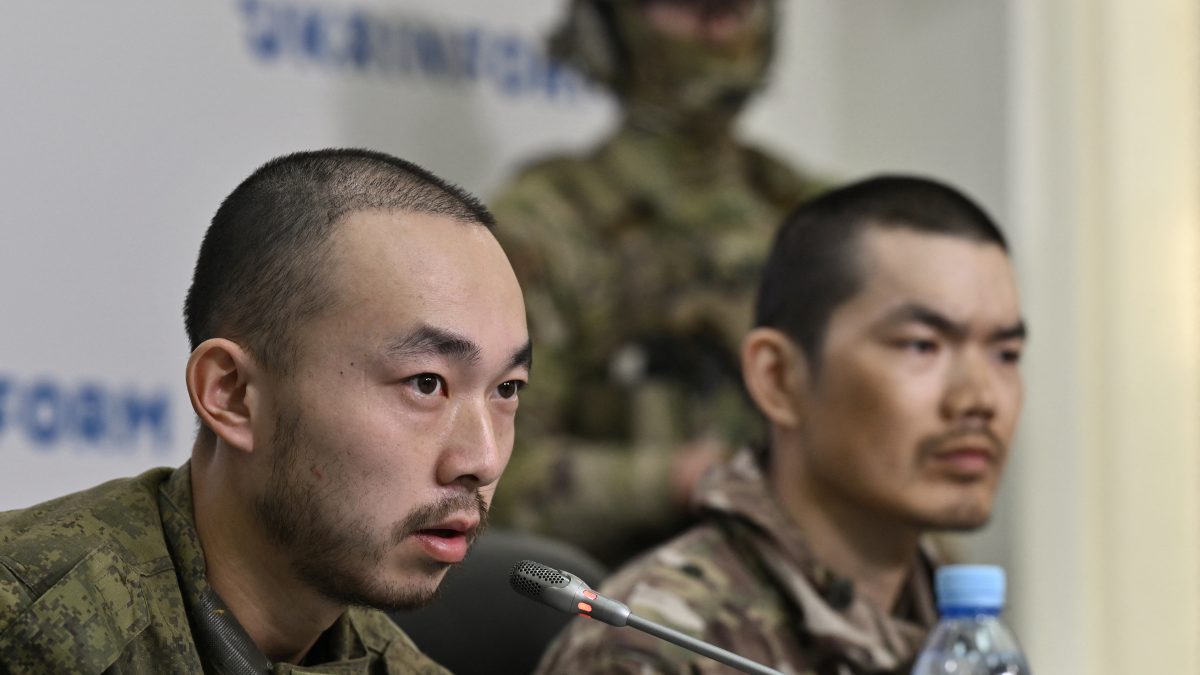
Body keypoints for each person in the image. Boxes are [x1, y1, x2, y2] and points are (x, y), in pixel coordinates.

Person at [0, 149, 532, 673]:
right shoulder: (26, 627)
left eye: (507, 390)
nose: (482, 460)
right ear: (231, 395)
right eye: (426, 383)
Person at [535, 175, 1027, 674]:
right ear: (779, 377)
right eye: (922, 345)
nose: (980, 398)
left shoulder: (961, 637)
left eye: (1006, 354)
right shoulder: (659, 645)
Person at [489, 0, 827, 567]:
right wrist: (677, 479)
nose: (716, 20)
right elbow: (487, 477)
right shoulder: (550, 225)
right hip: (632, 613)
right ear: (608, 27)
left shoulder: (815, 218)